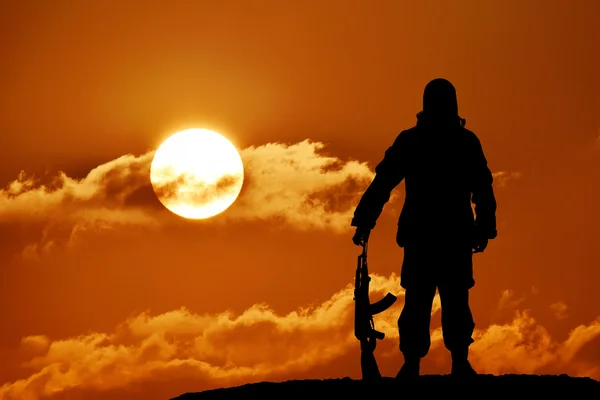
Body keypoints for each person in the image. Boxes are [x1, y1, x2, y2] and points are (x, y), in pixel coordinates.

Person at [350, 78, 497, 380]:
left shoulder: (420, 141)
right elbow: (384, 181)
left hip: (440, 236)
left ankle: (447, 362)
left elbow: (482, 187)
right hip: (440, 236)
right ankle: (424, 363)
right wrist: (365, 219)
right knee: (426, 301)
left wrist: (484, 225)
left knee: (447, 301)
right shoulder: (454, 141)